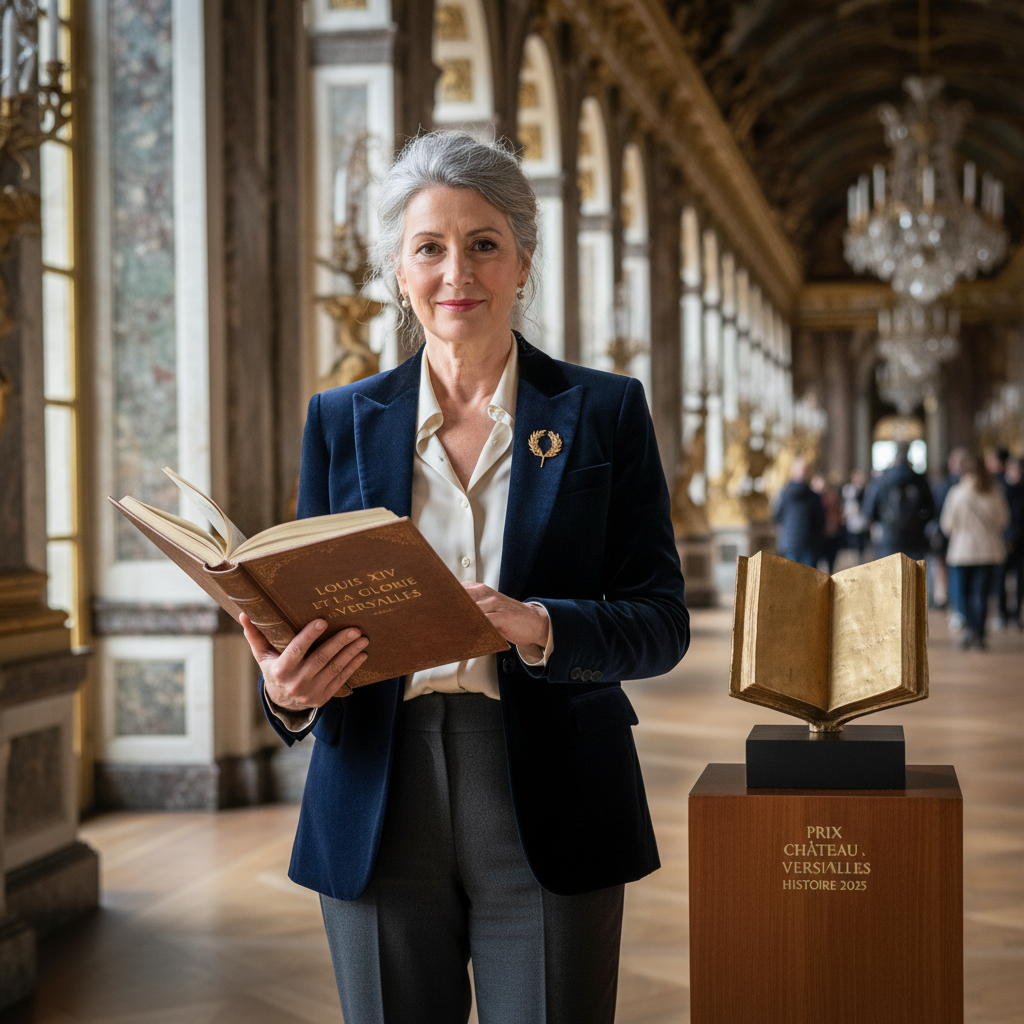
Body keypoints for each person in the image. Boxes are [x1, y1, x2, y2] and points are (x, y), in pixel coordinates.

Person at [238, 131, 690, 1024]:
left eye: (484, 243)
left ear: (524, 260)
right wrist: (287, 694)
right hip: (374, 788)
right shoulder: (339, 420)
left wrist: (538, 622)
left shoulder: (604, 412)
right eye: (430, 248)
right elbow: (303, 615)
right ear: (398, 272)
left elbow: (660, 619)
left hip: (553, 791)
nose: (459, 272)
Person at [940, 454, 1010, 650]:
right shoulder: (995, 492)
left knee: (962, 594)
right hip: (989, 550)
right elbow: (1003, 520)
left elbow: (947, 525)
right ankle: (979, 633)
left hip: (962, 551)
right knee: (981, 593)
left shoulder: (957, 493)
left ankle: (970, 628)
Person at [863, 441, 935, 560]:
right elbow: (931, 509)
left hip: (889, 538)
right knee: (914, 576)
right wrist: (920, 523)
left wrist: (883, 523)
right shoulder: (919, 480)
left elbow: (869, 511)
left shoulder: (881, 481)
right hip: (915, 538)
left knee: (890, 576)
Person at [931, 447, 968, 624]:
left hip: (956, 536)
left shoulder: (947, 486)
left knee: (955, 574)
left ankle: (957, 607)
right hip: (954, 537)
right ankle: (956, 606)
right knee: (952, 573)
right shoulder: (947, 485)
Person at [774, 458, 825, 567]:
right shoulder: (813, 496)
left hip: (790, 542)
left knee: (792, 578)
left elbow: (778, 516)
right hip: (809, 542)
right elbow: (821, 520)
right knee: (809, 580)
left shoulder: (784, 493)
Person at [997, 455, 1023, 631]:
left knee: (1020, 580)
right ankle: (1002, 614)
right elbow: (999, 517)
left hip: (1021, 541)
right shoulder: (1000, 489)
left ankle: (1016, 614)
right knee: (1000, 580)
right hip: (1003, 541)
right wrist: (1006, 538)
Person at [810, 472, 842, 574]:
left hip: (831, 535)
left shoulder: (832, 498)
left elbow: (837, 514)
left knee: (830, 563)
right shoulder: (811, 499)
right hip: (816, 536)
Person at [841, 469, 870, 563]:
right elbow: (847, 504)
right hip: (852, 519)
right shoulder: (848, 489)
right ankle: (854, 559)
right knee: (853, 542)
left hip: (862, 520)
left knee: (861, 543)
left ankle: (860, 558)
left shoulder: (865, 490)